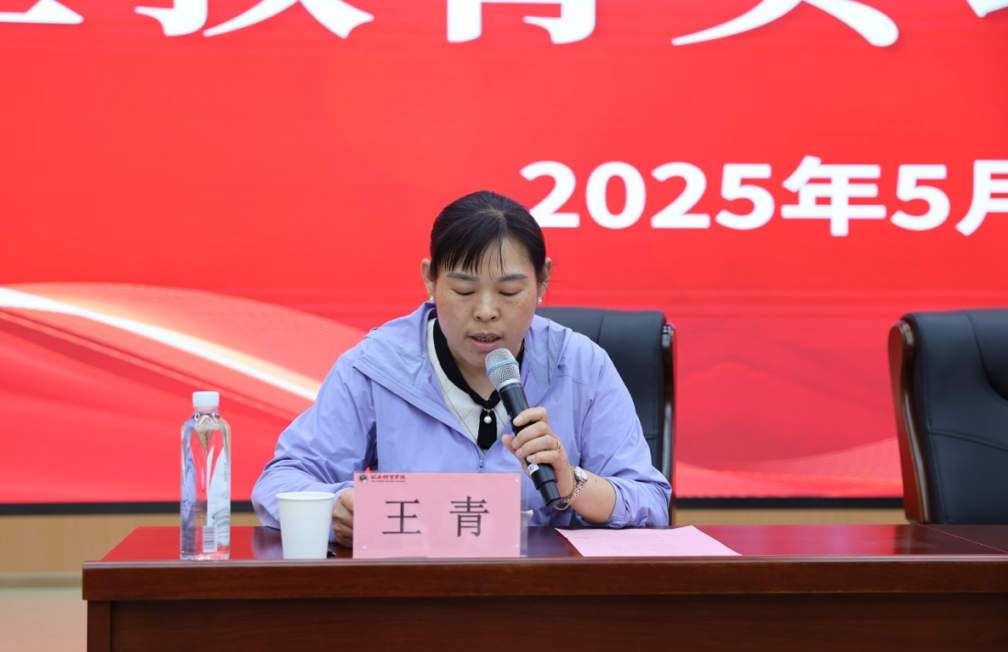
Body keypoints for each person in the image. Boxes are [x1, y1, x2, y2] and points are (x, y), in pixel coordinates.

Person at [252, 190, 671, 546]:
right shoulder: (375, 366)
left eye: (510, 291)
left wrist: (572, 483)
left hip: (543, 596)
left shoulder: (582, 366)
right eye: (463, 290)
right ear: (430, 279)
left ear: (543, 280)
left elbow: (650, 503)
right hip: (411, 593)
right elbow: (280, 483)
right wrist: (337, 508)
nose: (486, 311)